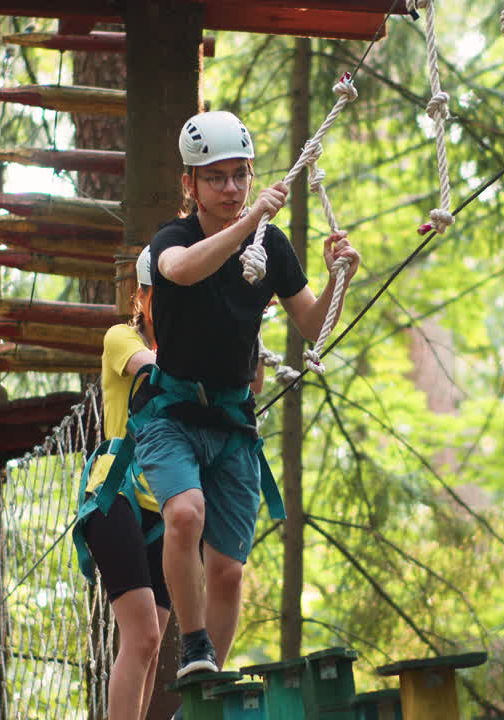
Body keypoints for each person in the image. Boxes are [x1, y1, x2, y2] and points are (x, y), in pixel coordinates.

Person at [131, 110, 361, 678]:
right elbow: (181, 271)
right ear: (191, 185)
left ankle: (208, 683)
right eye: (217, 177)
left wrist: (339, 279)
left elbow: (311, 324)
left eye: (241, 175)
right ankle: (194, 645)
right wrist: (248, 222)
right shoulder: (174, 238)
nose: (232, 189)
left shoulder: (271, 245)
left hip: (234, 422)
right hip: (171, 416)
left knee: (229, 570)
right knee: (185, 514)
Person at [72, 248, 169, 720]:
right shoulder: (121, 338)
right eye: (164, 296)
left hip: (167, 507)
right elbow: (151, 369)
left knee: (151, 648)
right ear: (142, 296)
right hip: (117, 492)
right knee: (143, 636)